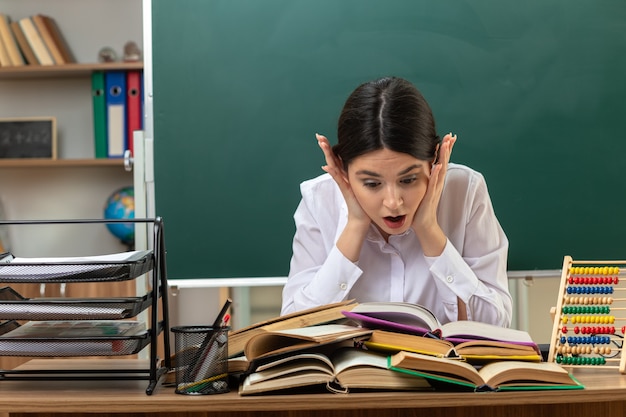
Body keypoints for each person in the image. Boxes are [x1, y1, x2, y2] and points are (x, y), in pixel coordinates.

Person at [281, 76, 512, 328]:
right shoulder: (319, 200)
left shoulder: (465, 190)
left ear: (435, 157)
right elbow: (293, 328)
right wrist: (355, 225)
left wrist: (429, 231)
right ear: (342, 168)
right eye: (372, 184)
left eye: (409, 179)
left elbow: (496, 325)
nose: (393, 202)